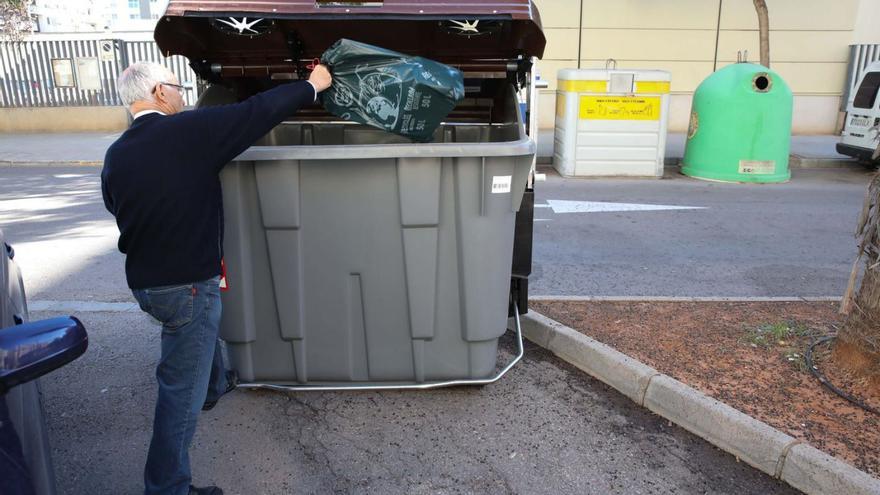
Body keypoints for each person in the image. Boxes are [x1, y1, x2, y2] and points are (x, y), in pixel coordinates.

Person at [101, 61, 332, 495]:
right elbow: (257, 112)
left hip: (148, 284)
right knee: (177, 390)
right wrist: (311, 85)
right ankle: (168, 487)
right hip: (186, 282)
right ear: (158, 92)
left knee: (195, 330)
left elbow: (116, 206)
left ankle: (213, 385)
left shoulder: (117, 152)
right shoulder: (189, 132)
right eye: (177, 86)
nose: (183, 93)